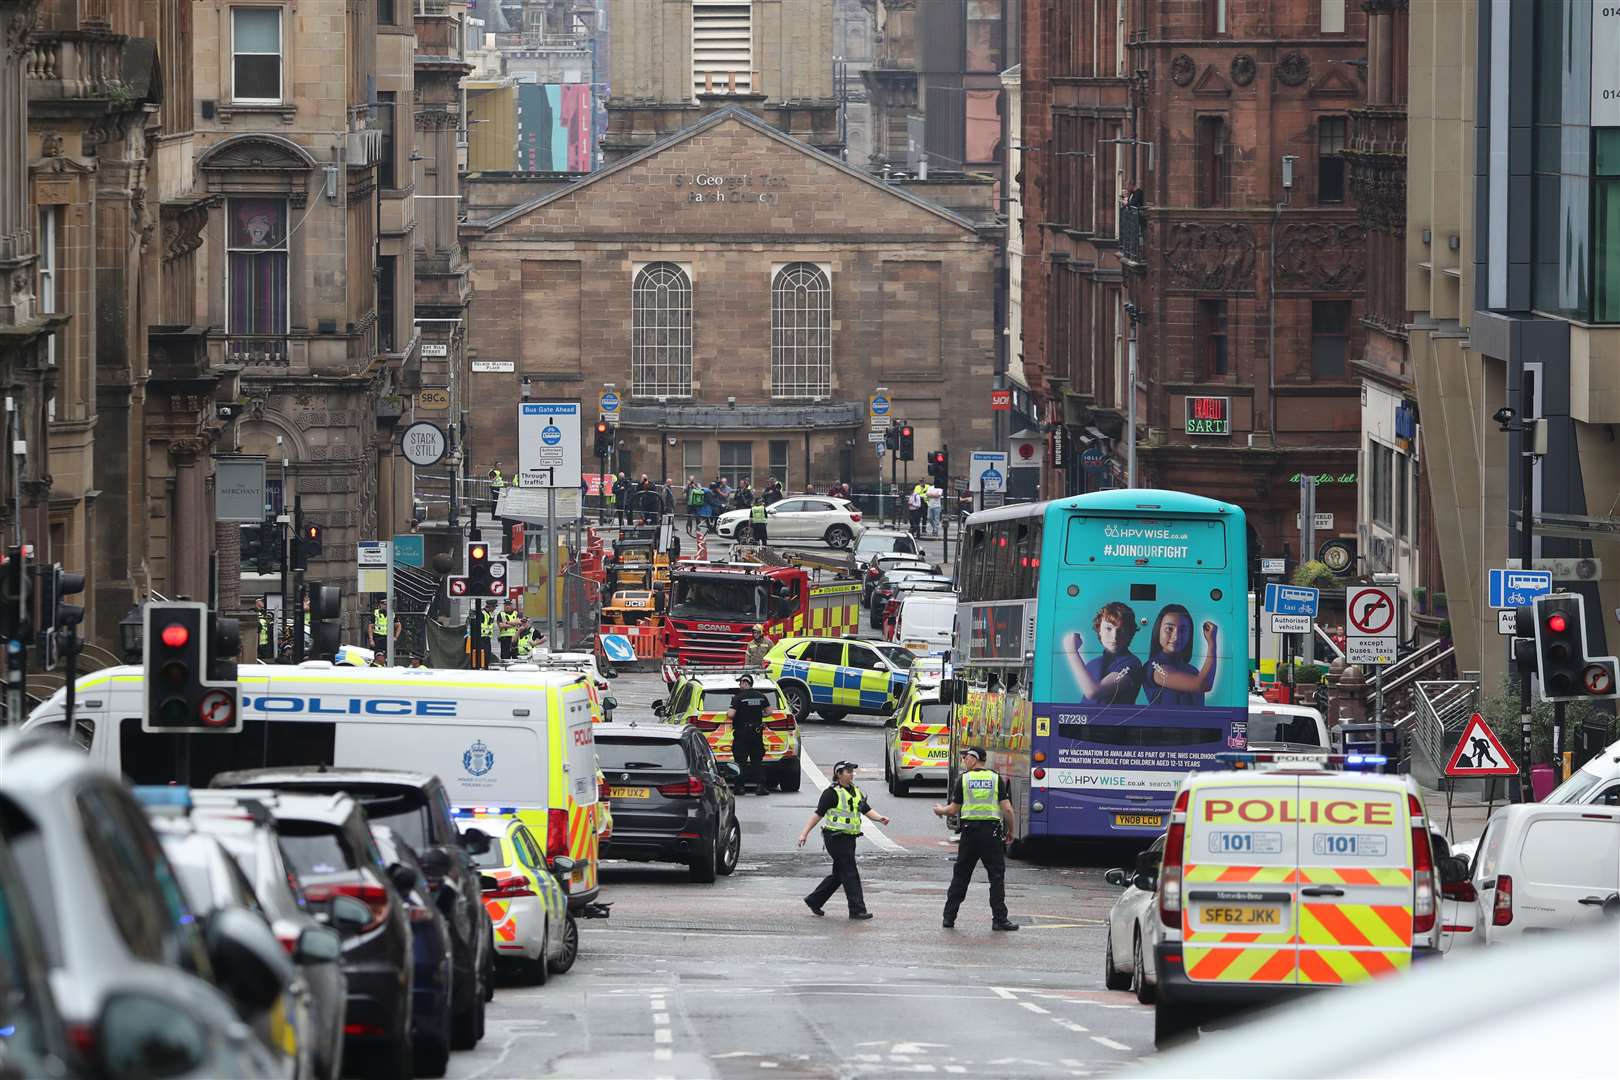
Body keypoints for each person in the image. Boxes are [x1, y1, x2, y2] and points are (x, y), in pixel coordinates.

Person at [933, 747, 1019, 930]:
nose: (964, 760)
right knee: (996, 877)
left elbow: (953, 810)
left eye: (966, 757)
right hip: (991, 834)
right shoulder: (996, 779)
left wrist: (939, 810)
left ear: (975, 759)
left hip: (969, 834)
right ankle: (999, 920)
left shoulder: (964, 779)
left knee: (961, 876)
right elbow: (1008, 809)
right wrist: (1011, 831)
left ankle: (949, 918)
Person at [798, 762, 889, 919]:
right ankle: (857, 910)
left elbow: (866, 809)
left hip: (849, 838)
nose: (852, 774)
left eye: (852, 771)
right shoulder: (831, 793)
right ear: (838, 774)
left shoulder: (856, 791)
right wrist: (804, 834)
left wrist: (880, 818)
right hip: (835, 838)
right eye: (848, 771)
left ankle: (814, 900)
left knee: (839, 874)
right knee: (850, 872)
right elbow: (818, 814)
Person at [1142, 604, 1219, 707]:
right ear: (1158, 630)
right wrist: (1212, 643)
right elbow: (1203, 684)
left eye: (1183, 630)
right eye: (1169, 629)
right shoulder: (1155, 668)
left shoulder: (1192, 671)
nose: (1176, 636)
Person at [1066, 601, 1143, 705]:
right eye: (1108, 628)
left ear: (1130, 633)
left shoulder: (1132, 664)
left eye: (1121, 630)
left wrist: (1072, 651)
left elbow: (1093, 692)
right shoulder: (1093, 664)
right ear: (1099, 630)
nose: (1114, 636)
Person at [727, 673, 772, 796]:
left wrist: (740, 714)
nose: (740, 685)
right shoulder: (761, 696)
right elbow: (769, 712)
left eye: (741, 683)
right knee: (757, 760)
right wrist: (758, 715)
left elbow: (731, 714)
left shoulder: (738, 697)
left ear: (744, 683)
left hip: (742, 733)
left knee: (740, 760)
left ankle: (740, 787)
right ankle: (761, 786)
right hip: (757, 733)